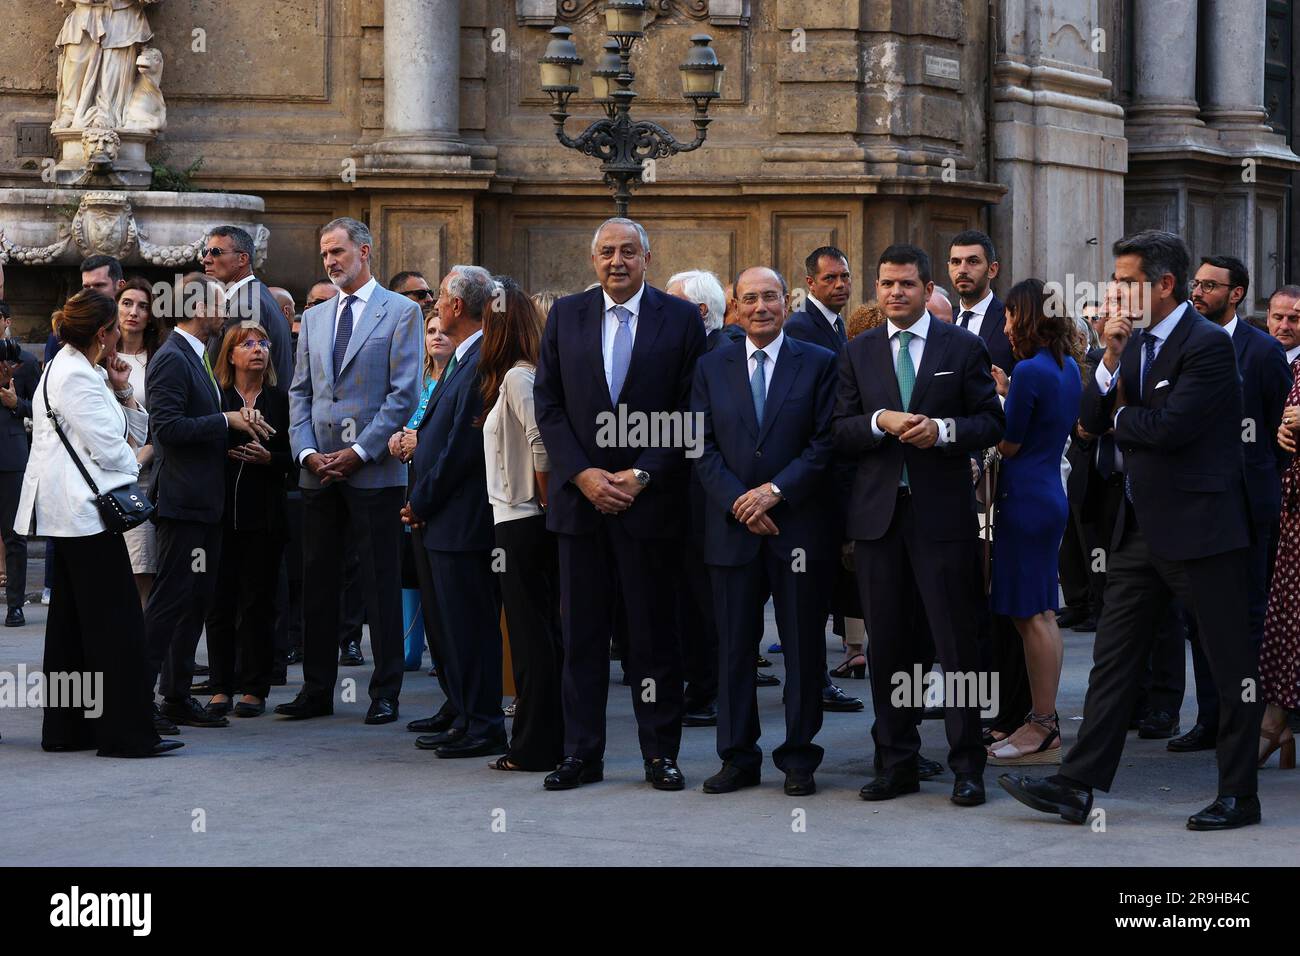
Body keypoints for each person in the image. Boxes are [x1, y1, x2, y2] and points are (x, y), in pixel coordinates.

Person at [1000, 230, 1264, 831]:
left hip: (1203, 531)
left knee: (1229, 666)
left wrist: (1124, 417)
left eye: (1124, 280)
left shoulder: (1207, 347)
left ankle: (1238, 794)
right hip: (1137, 530)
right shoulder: (1131, 344)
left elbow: (1171, 429)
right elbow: (1088, 426)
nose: (1113, 290)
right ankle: (1076, 785)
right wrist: (1110, 364)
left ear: (1162, 285)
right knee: (1113, 662)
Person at [533, 216, 706, 791]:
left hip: (650, 507)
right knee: (580, 637)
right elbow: (549, 404)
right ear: (593, 260)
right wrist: (581, 474)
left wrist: (640, 475)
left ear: (647, 258)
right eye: (606, 252)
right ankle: (582, 753)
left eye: (628, 252)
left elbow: (690, 410)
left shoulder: (680, 320)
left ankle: (660, 753)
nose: (617, 261)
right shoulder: (566, 316)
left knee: (652, 638)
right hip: (580, 507)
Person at [832, 243, 1005, 807]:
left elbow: (990, 421)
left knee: (955, 644)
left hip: (942, 517)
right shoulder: (858, 351)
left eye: (906, 284)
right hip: (879, 520)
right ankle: (896, 760)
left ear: (928, 288)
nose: (894, 294)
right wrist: (880, 421)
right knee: (889, 645)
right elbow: (840, 431)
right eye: (885, 284)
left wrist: (944, 432)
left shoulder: (962, 345)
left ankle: (966, 766)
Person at [16, 289, 181, 758]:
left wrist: (123, 388)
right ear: (104, 333)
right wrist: (132, 470)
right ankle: (126, 735)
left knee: (70, 625)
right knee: (118, 625)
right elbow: (115, 450)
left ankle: (68, 730)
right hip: (83, 513)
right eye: (115, 328)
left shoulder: (80, 370)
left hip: (72, 512)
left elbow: (135, 429)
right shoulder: (75, 376)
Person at [693, 266, 838, 796]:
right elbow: (698, 444)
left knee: (802, 646)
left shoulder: (819, 363)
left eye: (771, 297)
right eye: (750, 298)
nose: (761, 307)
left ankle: (799, 757)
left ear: (787, 302)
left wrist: (774, 492)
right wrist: (739, 500)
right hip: (730, 528)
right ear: (735, 306)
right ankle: (737, 756)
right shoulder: (711, 367)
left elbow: (826, 444)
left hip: (796, 526)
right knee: (733, 647)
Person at [278, 218, 422, 724]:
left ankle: (385, 691)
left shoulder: (401, 312)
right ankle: (316, 690)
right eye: (324, 254)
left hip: (374, 472)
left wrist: (360, 452)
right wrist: (305, 453)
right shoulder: (316, 319)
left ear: (364, 251)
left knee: (380, 585)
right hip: (317, 470)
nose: (330, 261)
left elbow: (404, 393)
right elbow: (299, 392)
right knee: (316, 582)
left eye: (338, 252)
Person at [1164, 257, 1289, 754]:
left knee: (1246, 617)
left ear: (1236, 294)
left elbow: (1281, 434)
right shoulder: (1182, 342)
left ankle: (1253, 727)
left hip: (1249, 507)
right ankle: (1210, 719)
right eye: (1196, 283)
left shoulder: (1260, 351)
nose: (1199, 292)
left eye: (1211, 286)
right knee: (1198, 618)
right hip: (1196, 506)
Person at [144, 272, 275, 732]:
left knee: (194, 603)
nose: (226, 311)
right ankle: (139, 701)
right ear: (199, 308)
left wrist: (236, 429)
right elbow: (167, 430)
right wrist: (227, 421)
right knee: (169, 603)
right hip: (182, 504)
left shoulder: (193, 356)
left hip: (204, 504)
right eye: (220, 303)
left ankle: (176, 697)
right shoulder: (171, 359)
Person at [405, 265, 505, 757]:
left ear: (457, 307)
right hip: (444, 519)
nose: (436, 306)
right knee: (453, 627)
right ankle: (466, 716)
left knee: (471, 628)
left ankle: (484, 724)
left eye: (440, 297)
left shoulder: (481, 359)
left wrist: (422, 499)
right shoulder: (464, 359)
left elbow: (461, 450)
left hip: (462, 521)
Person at [983, 279, 1082, 765]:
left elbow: (1011, 444)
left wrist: (995, 412)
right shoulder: (1065, 368)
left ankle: (1043, 724)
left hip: (1024, 498)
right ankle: (1043, 721)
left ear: (1024, 318)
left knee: (1031, 615)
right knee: (1041, 611)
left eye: (1008, 315)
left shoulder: (1029, 371)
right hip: (1048, 495)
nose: (1003, 324)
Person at [477, 278, 563, 771]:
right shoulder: (517, 375)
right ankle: (541, 741)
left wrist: (544, 504)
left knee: (533, 640)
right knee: (537, 636)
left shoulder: (518, 376)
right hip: (518, 517)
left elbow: (541, 443)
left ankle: (534, 747)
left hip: (522, 520)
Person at [203, 323, 292, 719]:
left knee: (258, 602)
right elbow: (199, 446)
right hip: (220, 514)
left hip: (265, 515)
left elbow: (295, 459)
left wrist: (269, 459)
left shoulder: (281, 401)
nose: (258, 350)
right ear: (231, 355)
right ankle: (221, 684)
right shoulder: (216, 397)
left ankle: (255, 686)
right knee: (220, 601)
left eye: (263, 343)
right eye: (248, 344)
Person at [115, 277, 167, 606]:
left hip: (142, 474)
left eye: (143, 306)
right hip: (102, 471)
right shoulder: (99, 355)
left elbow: (161, 425)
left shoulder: (159, 357)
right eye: (127, 303)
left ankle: (143, 649)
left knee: (141, 566)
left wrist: (139, 459)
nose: (134, 312)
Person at [202, 226, 294, 388]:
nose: (206, 260)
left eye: (216, 252)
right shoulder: (258, 293)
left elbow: (218, 375)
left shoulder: (244, 306)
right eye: (205, 252)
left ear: (242, 259)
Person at [0, 294, 39, 626]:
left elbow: (42, 410)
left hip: (11, 456)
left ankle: (15, 604)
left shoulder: (25, 361)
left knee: (15, 534)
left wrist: (16, 403)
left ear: (6, 322)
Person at [947, 230, 1016, 373]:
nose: (962, 270)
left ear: (992, 269)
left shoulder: (1011, 320)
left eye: (972, 261)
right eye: (956, 262)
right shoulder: (943, 321)